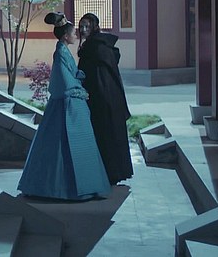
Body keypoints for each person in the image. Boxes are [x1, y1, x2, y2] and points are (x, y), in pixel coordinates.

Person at [17, 12, 111, 201]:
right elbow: (62, 80)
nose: (77, 34)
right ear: (66, 36)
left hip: (71, 101)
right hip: (66, 102)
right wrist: (78, 90)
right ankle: (62, 188)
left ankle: (85, 185)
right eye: (73, 33)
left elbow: (71, 74)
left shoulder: (63, 50)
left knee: (76, 143)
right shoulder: (60, 52)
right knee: (65, 143)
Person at [77, 12, 133, 185]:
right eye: (81, 26)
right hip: (105, 98)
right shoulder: (97, 45)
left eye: (87, 26)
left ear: (94, 27)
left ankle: (110, 173)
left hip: (103, 99)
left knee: (106, 135)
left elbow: (98, 77)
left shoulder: (96, 47)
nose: (83, 29)